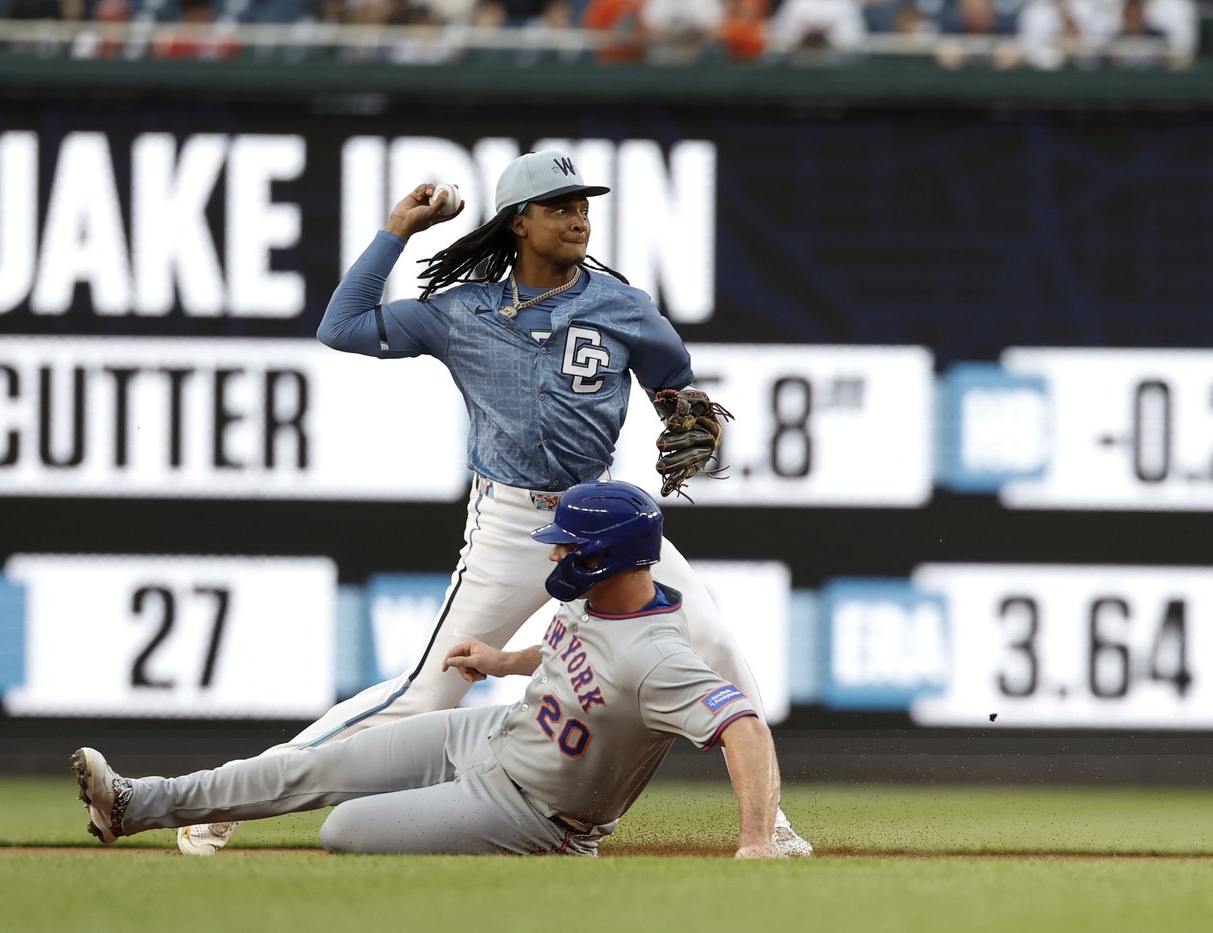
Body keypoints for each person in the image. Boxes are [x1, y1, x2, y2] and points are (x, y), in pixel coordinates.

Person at [175, 148, 811, 857]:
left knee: (712, 637)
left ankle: (771, 824)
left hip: (602, 521)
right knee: (425, 694)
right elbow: (341, 325)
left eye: (583, 207)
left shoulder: (624, 307)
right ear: (519, 222)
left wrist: (687, 414)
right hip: (510, 523)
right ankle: (236, 794)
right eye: (560, 208)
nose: (579, 220)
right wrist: (397, 230)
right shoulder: (462, 312)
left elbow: (678, 392)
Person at [73, 481, 784, 858]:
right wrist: (506, 660)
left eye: (568, 546)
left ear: (609, 555)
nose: (554, 556)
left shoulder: (660, 655)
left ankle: (557, 857)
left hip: (538, 813)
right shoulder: (606, 598)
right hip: (492, 737)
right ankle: (134, 803)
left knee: (343, 829)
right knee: (315, 765)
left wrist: (756, 840)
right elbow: (579, 656)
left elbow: (745, 727)